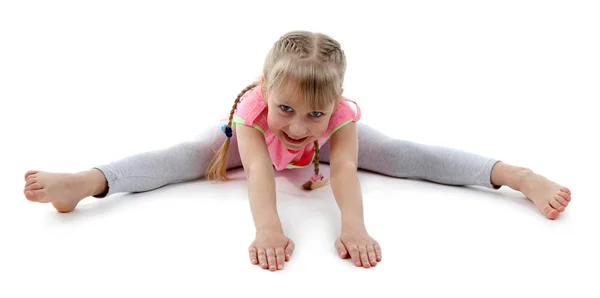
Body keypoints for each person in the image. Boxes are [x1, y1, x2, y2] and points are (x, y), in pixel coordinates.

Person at [22, 30, 572, 271]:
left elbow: (348, 169)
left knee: (406, 154)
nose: (298, 126)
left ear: (333, 104)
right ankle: (86, 183)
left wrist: (351, 226)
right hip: (240, 137)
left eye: (315, 113)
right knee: (181, 156)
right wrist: (268, 229)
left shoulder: (336, 121)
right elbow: (260, 173)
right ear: (266, 91)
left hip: (337, 149)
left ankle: (517, 175)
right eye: (287, 109)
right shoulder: (255, 115)